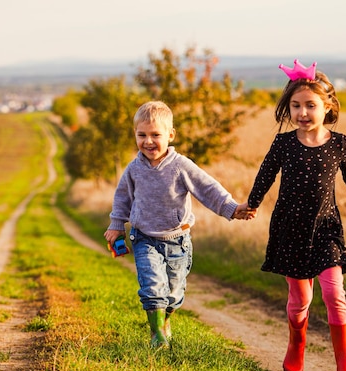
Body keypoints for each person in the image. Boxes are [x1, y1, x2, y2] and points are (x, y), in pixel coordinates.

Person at [245, 60, 346, 371]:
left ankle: (345, 361)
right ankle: (296, 344)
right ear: (287, 108)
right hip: (290, 229)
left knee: (335, 293)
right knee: (301, 299)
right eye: (296, 106)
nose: (302, 112)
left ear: (328, 106)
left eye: (310, 105)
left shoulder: (339, 144)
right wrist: (251, 205)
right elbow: (265, 175)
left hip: (326, 229)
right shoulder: (284, 144)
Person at [104, 100, 254, 349]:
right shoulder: (134, 169)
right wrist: (117, 224)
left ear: (170, 135)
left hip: (177, 240)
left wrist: (231, 208)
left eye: (155, 135)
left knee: (173, 293)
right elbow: (122, 198)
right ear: (135, 135)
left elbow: (208, 188)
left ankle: (165, 320)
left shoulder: (180, 166)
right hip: (144, 238)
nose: (148, 141)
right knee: (152, 286)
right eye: (142, 135)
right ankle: (157, 336)